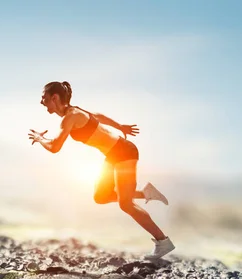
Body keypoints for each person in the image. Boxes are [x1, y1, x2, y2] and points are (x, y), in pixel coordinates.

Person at [28, 81, 175, 260]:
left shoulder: (70, 117)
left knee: (125, 204)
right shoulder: (76, 111)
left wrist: (39, 138)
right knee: (101, 196)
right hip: (113, 155)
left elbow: (54, 147)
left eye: (44, 98)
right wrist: (119, 126)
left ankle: (163, 242)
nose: (42, 102)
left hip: (124, 152)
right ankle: (145, 193)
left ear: (55, 97)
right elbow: (98, 116)